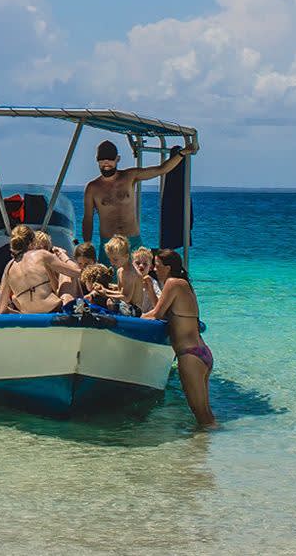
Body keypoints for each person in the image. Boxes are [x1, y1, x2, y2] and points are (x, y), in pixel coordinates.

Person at [142, 248, 215, 428]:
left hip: (189, 356)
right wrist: (151, 288)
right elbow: (163, 311)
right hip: (201, 353)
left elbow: (156, 314)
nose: (154, 268)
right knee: (206, 416)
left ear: (167, 268)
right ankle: (207, 451)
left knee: (201, 417)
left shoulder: (172, 283)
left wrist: (135, 318)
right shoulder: (183, 284)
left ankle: (202, 450)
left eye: (157, 265)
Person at [81, 138, 190, 249]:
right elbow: (88, 219)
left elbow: (161, 169)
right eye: (102, 160)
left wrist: (182, 153)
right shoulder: (92, 188)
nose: (106, 163)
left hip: (133, 241)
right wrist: (87, 245)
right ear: (97, 160)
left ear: (117, 159)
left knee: (140, 265)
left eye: (110, 159)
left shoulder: (130, 176)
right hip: (109, 244)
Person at [0, 226, 85, 314]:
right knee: (66, 275)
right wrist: (63, 256)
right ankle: (84, 304)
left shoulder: (8, 268)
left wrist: (19, 313)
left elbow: (1, 309)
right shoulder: (42, 255)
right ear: (33, 241)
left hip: (29, 315)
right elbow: (77, 273)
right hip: (54, 309)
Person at [109, 236, 156, 314]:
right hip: (130, 307)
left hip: (142, 313)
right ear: (132, 263)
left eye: (145, 264)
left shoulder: (152, 282)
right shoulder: (122, 272)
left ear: (150, 268)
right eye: (137, 263)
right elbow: (122, 291)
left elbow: (158, 305)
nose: (141, 266)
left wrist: (150, 288)